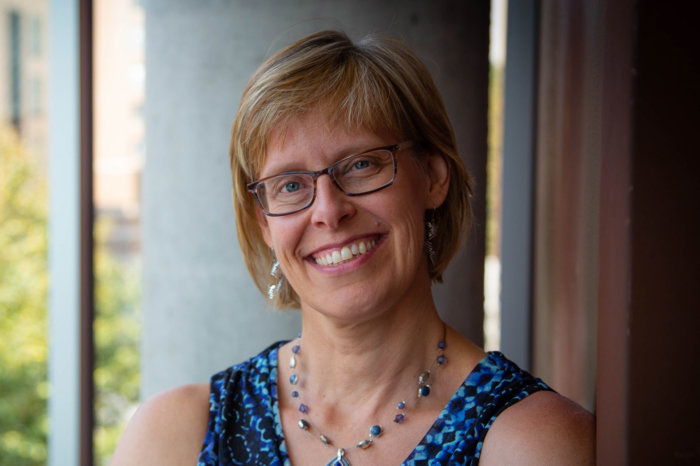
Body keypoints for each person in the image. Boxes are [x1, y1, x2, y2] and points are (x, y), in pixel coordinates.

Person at [111, 30, 594, 465]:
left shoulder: (530, 441)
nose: (328, 210)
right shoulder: (176, 436)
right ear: (264, 224)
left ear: (433, 178)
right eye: (291, 185)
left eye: (361, 165)